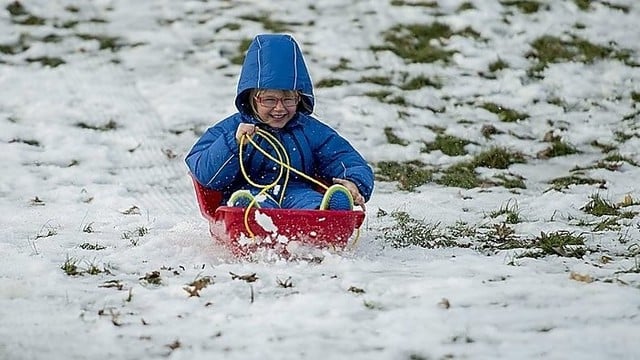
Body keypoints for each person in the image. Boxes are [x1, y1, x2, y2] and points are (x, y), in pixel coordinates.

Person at [185, 34, 374, 211]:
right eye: (269, 100)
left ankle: (327, 216)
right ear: (251, 98)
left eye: (288, 99)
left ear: (299, 97)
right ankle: (246, 214)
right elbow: (204, 173)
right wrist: (232, 144)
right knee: (254, 202)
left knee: (311, 203)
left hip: (297, 191)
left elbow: (344, 158)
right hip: (251, 190)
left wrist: (354, 181)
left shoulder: (309, 130)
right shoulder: (233, 129)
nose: (279, 108)